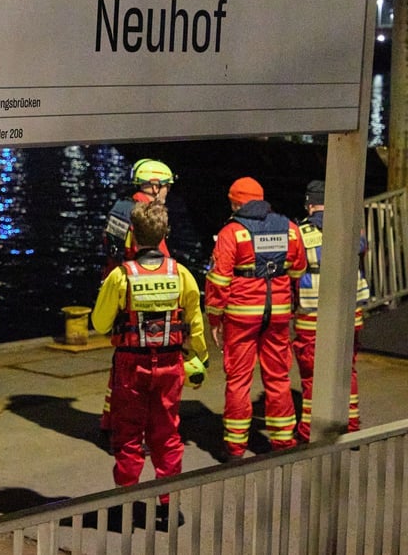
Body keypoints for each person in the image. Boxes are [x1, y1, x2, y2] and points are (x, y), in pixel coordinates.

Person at [91, 202, 208, 527]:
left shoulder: (121, 276)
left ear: (133, 233)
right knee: (167, 435)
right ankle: (168, 505)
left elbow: (100, 324)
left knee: (128, 438)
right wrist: (200, 356)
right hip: (171, 366)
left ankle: (126, 505)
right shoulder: (180, 274)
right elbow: (195, 323)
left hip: (131, 367)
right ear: (164, 235)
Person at [206, 177, 307, 460]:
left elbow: (219, 279)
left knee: (238, 380)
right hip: (278, 313)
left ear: (236, 202)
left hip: (241, 315)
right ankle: (283, 441)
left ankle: (235, 447)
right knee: (278, 377)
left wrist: (214, 317)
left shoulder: (232, 231)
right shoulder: (289, 228)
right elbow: (298, 269)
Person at [99, 158, 176, 434]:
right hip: (141, 302)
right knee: (140, 374)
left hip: (118, 292)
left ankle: (110, 421)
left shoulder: (119, 210)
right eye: (166, 187)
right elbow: (160, 262)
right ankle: (133, 430)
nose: (167, 193)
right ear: (154, 187)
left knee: (120, 365)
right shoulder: (147, 217)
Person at [293, 180, 371, 441]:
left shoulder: (301, 233)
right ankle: (351, 427)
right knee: (346, 369)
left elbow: (293, 269)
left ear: (310, 204)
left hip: (312, 314)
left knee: (311, 375)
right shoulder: (349, 227)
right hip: (350, 310)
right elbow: (362, 247)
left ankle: (308, 434)